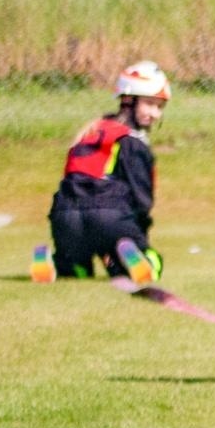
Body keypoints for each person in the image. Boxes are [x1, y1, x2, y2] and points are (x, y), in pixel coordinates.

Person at [33, 60, 170, 284]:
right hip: (109, 215)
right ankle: (134, 257)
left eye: (159, 106)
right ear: (128, 100)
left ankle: (55, 264)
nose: (155, 113)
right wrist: (138, 235)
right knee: (147, 263)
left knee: (78, 271)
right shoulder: (133, 141)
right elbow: (141, 199)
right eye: (149, 104)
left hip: (65, 215)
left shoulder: (90, 132)